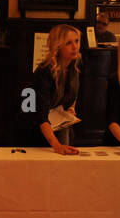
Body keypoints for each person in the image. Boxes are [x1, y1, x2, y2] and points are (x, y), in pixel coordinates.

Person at [31, 24, 82, 155]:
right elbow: (40, 116)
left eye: (76, 41)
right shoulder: (44, 71)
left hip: (60, 127)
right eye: (68, 43)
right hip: (38, 133)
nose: (75, 46)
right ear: (57, 47)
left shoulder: (74, 66)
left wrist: (71, 109)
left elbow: (72, 96)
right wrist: (57, 146)